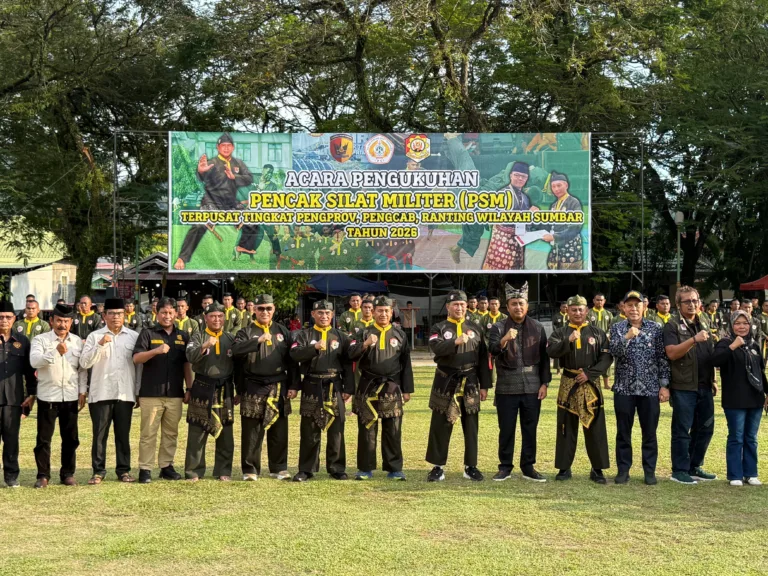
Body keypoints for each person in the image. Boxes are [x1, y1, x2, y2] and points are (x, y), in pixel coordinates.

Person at [425, 290, 491, 482]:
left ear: (467, 306)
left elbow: (483, 357)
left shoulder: (476, 328)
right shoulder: (439, 327)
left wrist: (485, 385)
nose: (459, 308)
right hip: (446, 380)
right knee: (440, 424)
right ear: (448, 307)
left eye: (462, 304)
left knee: (471, 425)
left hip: (470, 380)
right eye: (455, 305)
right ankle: (437, 467)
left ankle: (470, 466)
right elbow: (436, 348)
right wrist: (455, 341)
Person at [547, 295, 613, 483]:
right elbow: (551, 351)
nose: (577, 312)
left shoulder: (598, 333)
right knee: (565, 426)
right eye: (573, 309)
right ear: (567, 311)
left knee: (595, 427)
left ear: (587, 311)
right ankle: (564, 467)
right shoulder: (560, 332)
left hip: (591, 383)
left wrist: (591, 374)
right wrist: (567, 341)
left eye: (581, 309)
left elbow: (607, 357)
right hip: (568, 382)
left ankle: (598, 469)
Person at [488, 282, 550, 482]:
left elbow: (545, 358)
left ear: (527, 306)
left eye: (521, 303)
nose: (518, 307)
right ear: (507, 306)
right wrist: (504, 339)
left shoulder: (538, 328)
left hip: (532, 386)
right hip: (506, 386)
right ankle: (505, 466)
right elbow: (492, 350)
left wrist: (545, 383)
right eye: (514, 304)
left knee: (530, 428)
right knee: (506, 428)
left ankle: (528, 465)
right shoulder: (497, 327)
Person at [289, 300, 355, 482]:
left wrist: (348, 388)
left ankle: (337, 467)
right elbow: (294, 355)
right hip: (311, 384)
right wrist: (314, 348)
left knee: (337, 430)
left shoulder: (341, 336)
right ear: (313, 314)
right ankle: (306, 468)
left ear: (332, 315)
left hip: (335, 384)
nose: (324, 316)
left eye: (327, 313)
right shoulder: (304, 335)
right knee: (309, 429)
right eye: (320, 313)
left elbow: (348, 364)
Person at [348, 296, 414, 480]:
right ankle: (365, 468)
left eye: (386, 311)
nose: (383, 314)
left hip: (391, 386)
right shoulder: (362, 332)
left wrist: (407, 389)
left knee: (393, 428)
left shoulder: (399, 334)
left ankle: (394, 468)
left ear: (391, 312)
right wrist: (365, 344)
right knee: (367, 428)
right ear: (372, 312)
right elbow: (350, 355)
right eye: (380, 310)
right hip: (367, 385)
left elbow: (405, 363)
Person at [609, 291, 670, 485]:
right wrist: (627, 337)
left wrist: (664, 385)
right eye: (629, 305)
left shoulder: (655, 328)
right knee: (623, 432)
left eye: (637, 305)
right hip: (624, 388)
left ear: (645, 306)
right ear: (623, 308)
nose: (633, 309)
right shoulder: (617, 328)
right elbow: (614, 352)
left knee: (650, 432)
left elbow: (662, 357)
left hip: (650, 389)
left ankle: (649, 471)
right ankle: (623, 470)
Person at [232, 294, 295, 481]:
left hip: (278, 385)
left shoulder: (283, 331)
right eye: (261, 308)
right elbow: (235, 352)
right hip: (253, 384)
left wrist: (293, 385)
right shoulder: (245, 332)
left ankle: (279, 467)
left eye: (268, 308)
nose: (264, 312)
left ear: (273, 309)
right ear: (254, 310)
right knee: (252, 430)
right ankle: (250, 469)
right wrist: (256, 341)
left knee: (279, 429)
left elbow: (291, 361)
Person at [133, 297, 192, 483]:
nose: (167, 316)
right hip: (151, 392)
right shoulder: (147, 333)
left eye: (170, 312)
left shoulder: (182, 336)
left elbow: (186, 365)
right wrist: (155, 351)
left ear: (176, 313)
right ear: (156, 313)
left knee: (171, 433)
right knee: (148, 433)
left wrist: (189, 388)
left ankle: (166, 466)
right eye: (163, 313)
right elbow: (137, 358)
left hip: (175, 393)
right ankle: (145, 468)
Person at [80, 298, 139, 484]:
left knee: (123, 435)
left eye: (119, 314)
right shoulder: (94, 336)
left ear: (125, 315)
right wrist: (100, 345)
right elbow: (84, 363)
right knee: (99, 435)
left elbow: (138, 367)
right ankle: (98, 471)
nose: (115, 317)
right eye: (111, 314)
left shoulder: (133, 336)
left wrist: (137, 392)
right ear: (104, 316)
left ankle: (123, 471)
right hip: (101, 393)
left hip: (124, 393)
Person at [174, 132, 254, 270]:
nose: (226, 148)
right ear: (218, 147)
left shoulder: (238, 163)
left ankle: (243, 246)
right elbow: (201, 177)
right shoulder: (211, 163)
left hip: (230, 204)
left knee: (253, 219)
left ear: (233, 147)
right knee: (199, 226)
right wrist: (200, 171)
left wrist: (234, 176)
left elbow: (249, 178)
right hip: (211, 202)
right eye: (223, 146)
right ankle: (182, 258)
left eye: (229, 146)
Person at [663, 286, 717, 484]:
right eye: (687, 301)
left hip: (704, 385)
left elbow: (709, 354)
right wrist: (694, 339)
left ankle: (694, 466)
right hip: (683, 386)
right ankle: (679, 470)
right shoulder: (672, 325)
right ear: (678, 304)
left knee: (705, 428)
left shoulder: (704, 322)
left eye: (695, 300)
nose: (692, 304)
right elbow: (672, 353)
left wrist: (713, 380)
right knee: (682, 429)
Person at [29, 304, 86, 488]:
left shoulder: (77, 341)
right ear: (51, 321)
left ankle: (67, 473)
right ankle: (43, 475)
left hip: (70, 396)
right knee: (44, 439)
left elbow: (82, 369)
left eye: (66, 321)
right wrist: (55, 351)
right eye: (59, 320)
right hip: (48, 396)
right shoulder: (41, 340)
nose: (62, 325)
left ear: (71, 322)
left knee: (70, 438)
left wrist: (82, 391)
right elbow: (34, 362)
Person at [712, 310, 768, 486]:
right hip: (735, 399)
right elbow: (715, 360)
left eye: (745, 323)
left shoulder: (754, 345)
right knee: (736, 437)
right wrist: (733, 346)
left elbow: (761, 372)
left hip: (755, 399)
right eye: (737, 323)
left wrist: (767, 392)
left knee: (751, 437)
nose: (742, 326)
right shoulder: (725, 343)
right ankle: (735, 474)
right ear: (732, 325)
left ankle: (751, 473)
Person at [184, 302, 237, 481]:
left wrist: (239, 390)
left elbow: (238, 366)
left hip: (226, 388)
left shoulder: (230, 338)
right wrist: (205, 346)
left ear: (224, 318)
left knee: (226, 432)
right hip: (203, 386)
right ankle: (194, 470)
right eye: (212, 316)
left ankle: (223, 470)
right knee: (197, 431)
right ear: (205, 318)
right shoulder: (198, 336)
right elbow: (190, 357)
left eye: (220, 316)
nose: (216, 319)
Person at [0, 301, 37, 487]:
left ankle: (11, 476)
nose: (4, 320)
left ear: (14, 319)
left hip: (13, 399)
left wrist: (31, 394)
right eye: (0, 317)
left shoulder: (22, 341)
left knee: (11, 439)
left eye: (8, 317)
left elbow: (29, 372)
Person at [480, 162, 536, 270]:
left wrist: (534, 218)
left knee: (514, 271)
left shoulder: (525, 198)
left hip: (518, 241)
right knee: (499, 270)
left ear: (527, 179)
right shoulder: (503, 193)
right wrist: (528, 214)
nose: (520, 178)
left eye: (523, 176)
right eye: (517, 175)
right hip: (503, 241)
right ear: (510, 175)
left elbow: (526, 223)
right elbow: (505, 218)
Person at [540, 172, 584, 270]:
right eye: (553, 186)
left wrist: (554, 236)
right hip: (556, 247)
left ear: (566, 185)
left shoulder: (573, 202)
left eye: (559, 185)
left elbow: (576, 227)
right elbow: (549, 225)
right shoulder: (554, 205)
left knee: (569, 277)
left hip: (570, 248)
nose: (556, 189)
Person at [586, 293, 613, 389]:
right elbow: (587, 327)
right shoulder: (589, 313)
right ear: (594, 300)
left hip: (605, 342)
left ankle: (606, 384)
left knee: (606, 360)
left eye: (601, 300)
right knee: (593, 361)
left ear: (604, 301)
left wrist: (608, 334)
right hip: (592, 342)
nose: (599, 302)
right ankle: (593, 382)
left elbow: (611, 327)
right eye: (597, 300)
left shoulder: (608, 314)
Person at [481, 296, 507, 386]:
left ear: (499, 305)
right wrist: (488, 345)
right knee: (488, 366)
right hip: (488, 345)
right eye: (492, 304)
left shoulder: (505, 318)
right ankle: (490, 382)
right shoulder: (484, 318)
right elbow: (482, 333)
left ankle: (503, 380)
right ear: (489, 305)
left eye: (496, 304)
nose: (494, 306)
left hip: (501, 346)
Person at [552, 302, 568, 374]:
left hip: (568, 337)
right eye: (564, 307)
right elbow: (554, 326)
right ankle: (558, 370)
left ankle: (567, 368)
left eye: (566, 307)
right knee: (558, 352)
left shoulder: (570, 316)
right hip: (559, 337)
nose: (565, 308)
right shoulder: (556, 316)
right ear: (560, 307)